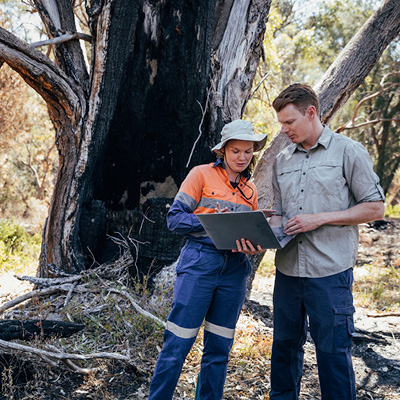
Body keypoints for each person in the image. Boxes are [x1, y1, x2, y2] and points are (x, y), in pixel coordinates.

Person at [268, 83, 385, 399]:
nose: (285, 130)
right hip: (288, 273)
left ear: (311, 112)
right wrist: (261, 232)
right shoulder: (282, 160)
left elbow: (375, 207)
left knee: (332, 356)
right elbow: (279, 215)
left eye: (290, 122)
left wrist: (319, 218)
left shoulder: (348, 151)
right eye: (282, 124)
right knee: (283, 352)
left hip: (330, 275)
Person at [148, 119, 268, 400]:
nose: (242, 157)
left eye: (248, 151)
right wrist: (214, 222)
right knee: (177, 342)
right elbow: (175, 219)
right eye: (236, 151)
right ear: (222, 151)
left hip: (235, 269)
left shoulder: (251, 191)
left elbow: (246, 234)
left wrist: (250, 246)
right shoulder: (200, 174)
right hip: (200, 262)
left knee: (219, 348)